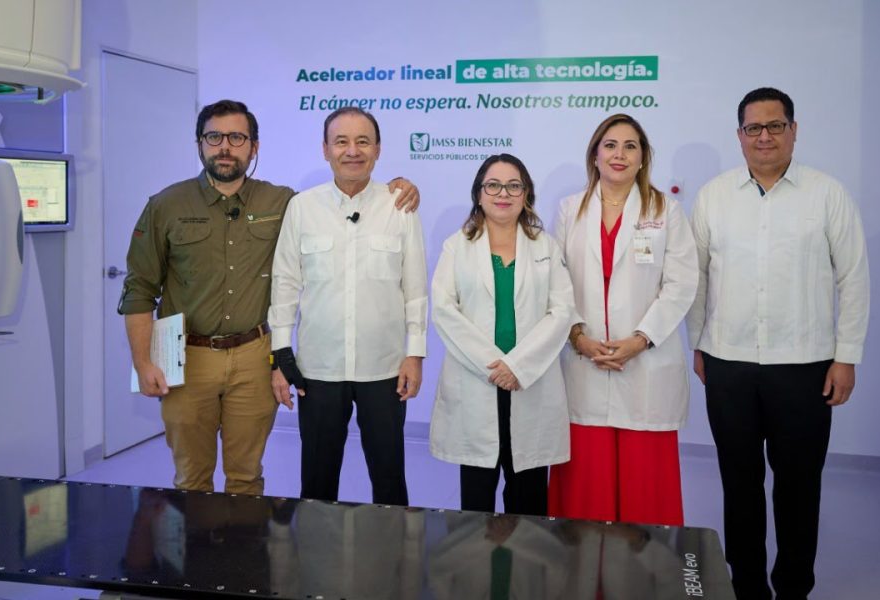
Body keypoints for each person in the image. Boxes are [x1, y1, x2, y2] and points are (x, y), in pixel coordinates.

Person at [119, 99, 419, 495]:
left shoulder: (283, 203)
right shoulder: (166, 205)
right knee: (191, 478)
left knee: (246, 477)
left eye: (237, 137)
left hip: (253, 357)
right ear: (199, 144)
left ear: (254, 146)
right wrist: (143, 363)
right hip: (188, 358)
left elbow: (343, 195)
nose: (225, 147)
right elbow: (139, 289)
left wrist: (400, 185)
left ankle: (243, 540)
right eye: (214, 137)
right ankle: (197, 539)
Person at [686, 87, 870, 600]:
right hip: (728, 363)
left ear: (793, 130)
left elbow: (853, 278)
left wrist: (847, 356)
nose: (764, 136)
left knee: (799, 486)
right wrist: (698, 343)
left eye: (775, 125)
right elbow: (697, 278)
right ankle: (746, 586)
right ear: (739, 135)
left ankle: (792, 588)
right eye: (754, 127)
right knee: (739, 483)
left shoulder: (827, 194)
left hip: (804, 366)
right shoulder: (714, 196)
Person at [269, 106, 427, 506]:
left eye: (363, 141)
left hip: (384, 369)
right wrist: (280, 355)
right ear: (325, 149)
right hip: (318, 369)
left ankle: (392, 546)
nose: (352, 151)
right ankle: (316, 545)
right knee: (317, 482)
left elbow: (415, 289)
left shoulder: (400, 206)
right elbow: (285, 284)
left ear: (378, 149)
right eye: (341, 141)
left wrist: (415, 354)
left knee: (389, 479)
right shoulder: (302, 207)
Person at [548, 113, 698, 526]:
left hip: (645, 363)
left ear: (643, 157)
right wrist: (577, 336)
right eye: (610, 145)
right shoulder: (569, 210)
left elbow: (681, 283)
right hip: (585, 360)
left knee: (644, 487)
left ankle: (643, 565)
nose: (619, 154)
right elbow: (556, 280)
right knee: (586, 486)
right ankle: (582, 565)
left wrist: (640, 339)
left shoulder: (666, 210)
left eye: (630, 146)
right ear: (595, 155)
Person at [429, 154, 574, 516]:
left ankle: (522, 556)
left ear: (526, 195)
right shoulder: (457, 246)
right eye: (493, 185)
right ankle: (477, 556)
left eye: (513, 186)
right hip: (479, 379)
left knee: (529, 501)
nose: (503, 194)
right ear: (479, 194)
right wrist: (495, 366)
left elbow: (561, 311)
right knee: (476, 503)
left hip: (530, 381)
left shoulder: (545, 245)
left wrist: (518, 367)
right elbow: (444, 310)